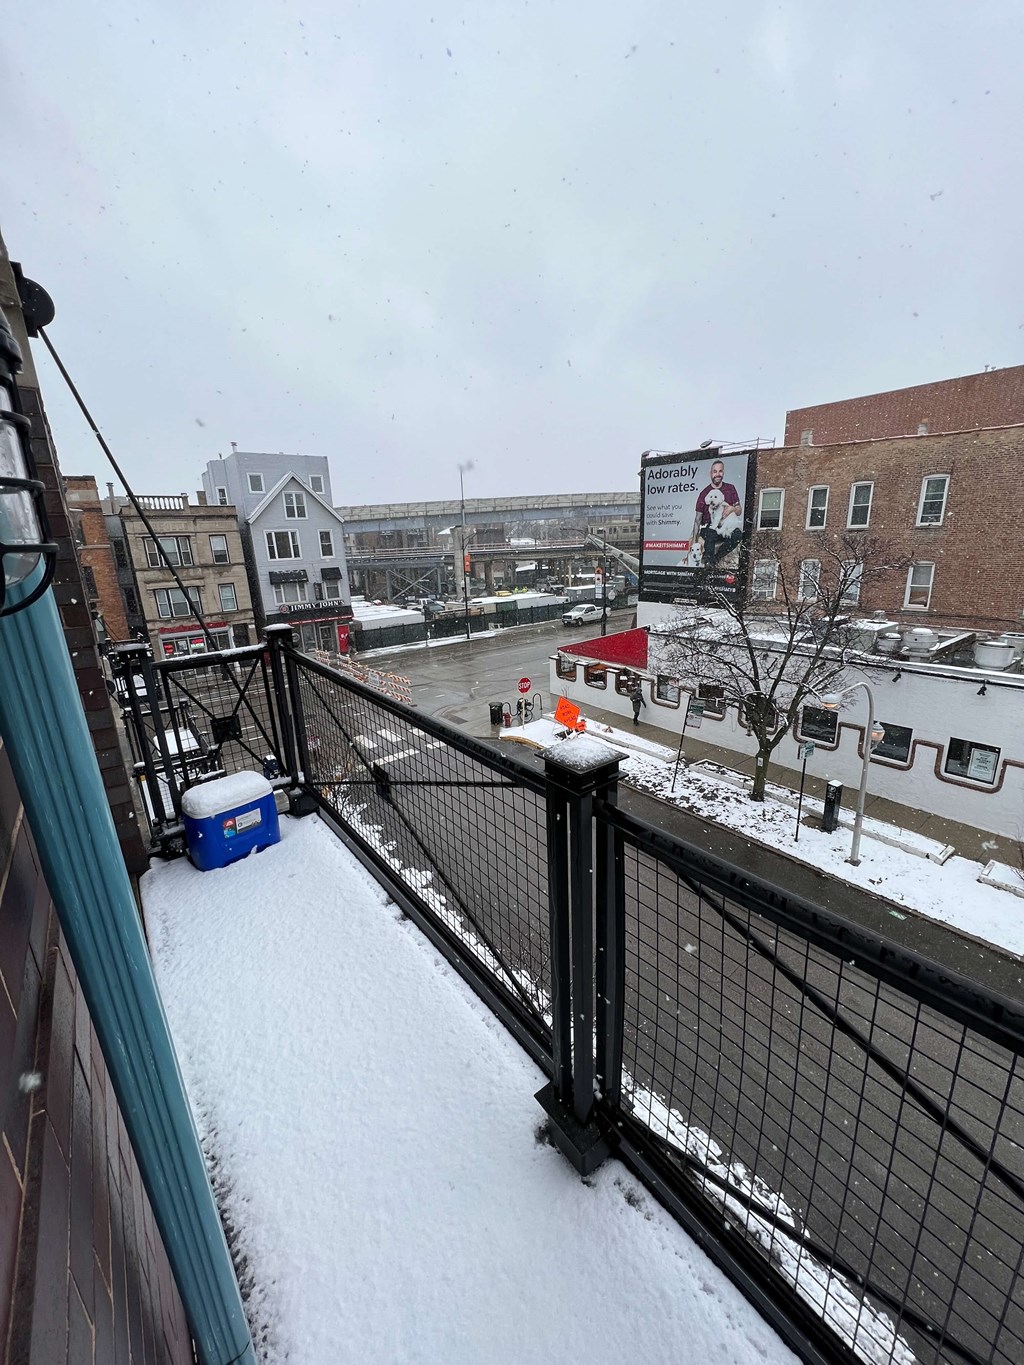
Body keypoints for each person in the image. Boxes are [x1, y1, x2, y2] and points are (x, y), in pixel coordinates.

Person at [691, 459, 743, 569]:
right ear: (710, 473)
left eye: (720, 471)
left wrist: (732, 509)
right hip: (709, 528)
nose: (717, 474)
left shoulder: (730, 488)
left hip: (725, 526)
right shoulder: (704, 493)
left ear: (723, 472)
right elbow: (697, 519)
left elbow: (739, 511)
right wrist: (694, 542)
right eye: (715, 471)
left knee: (738, 534)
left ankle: (716, 558)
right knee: (711, 533)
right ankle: (709, 563)